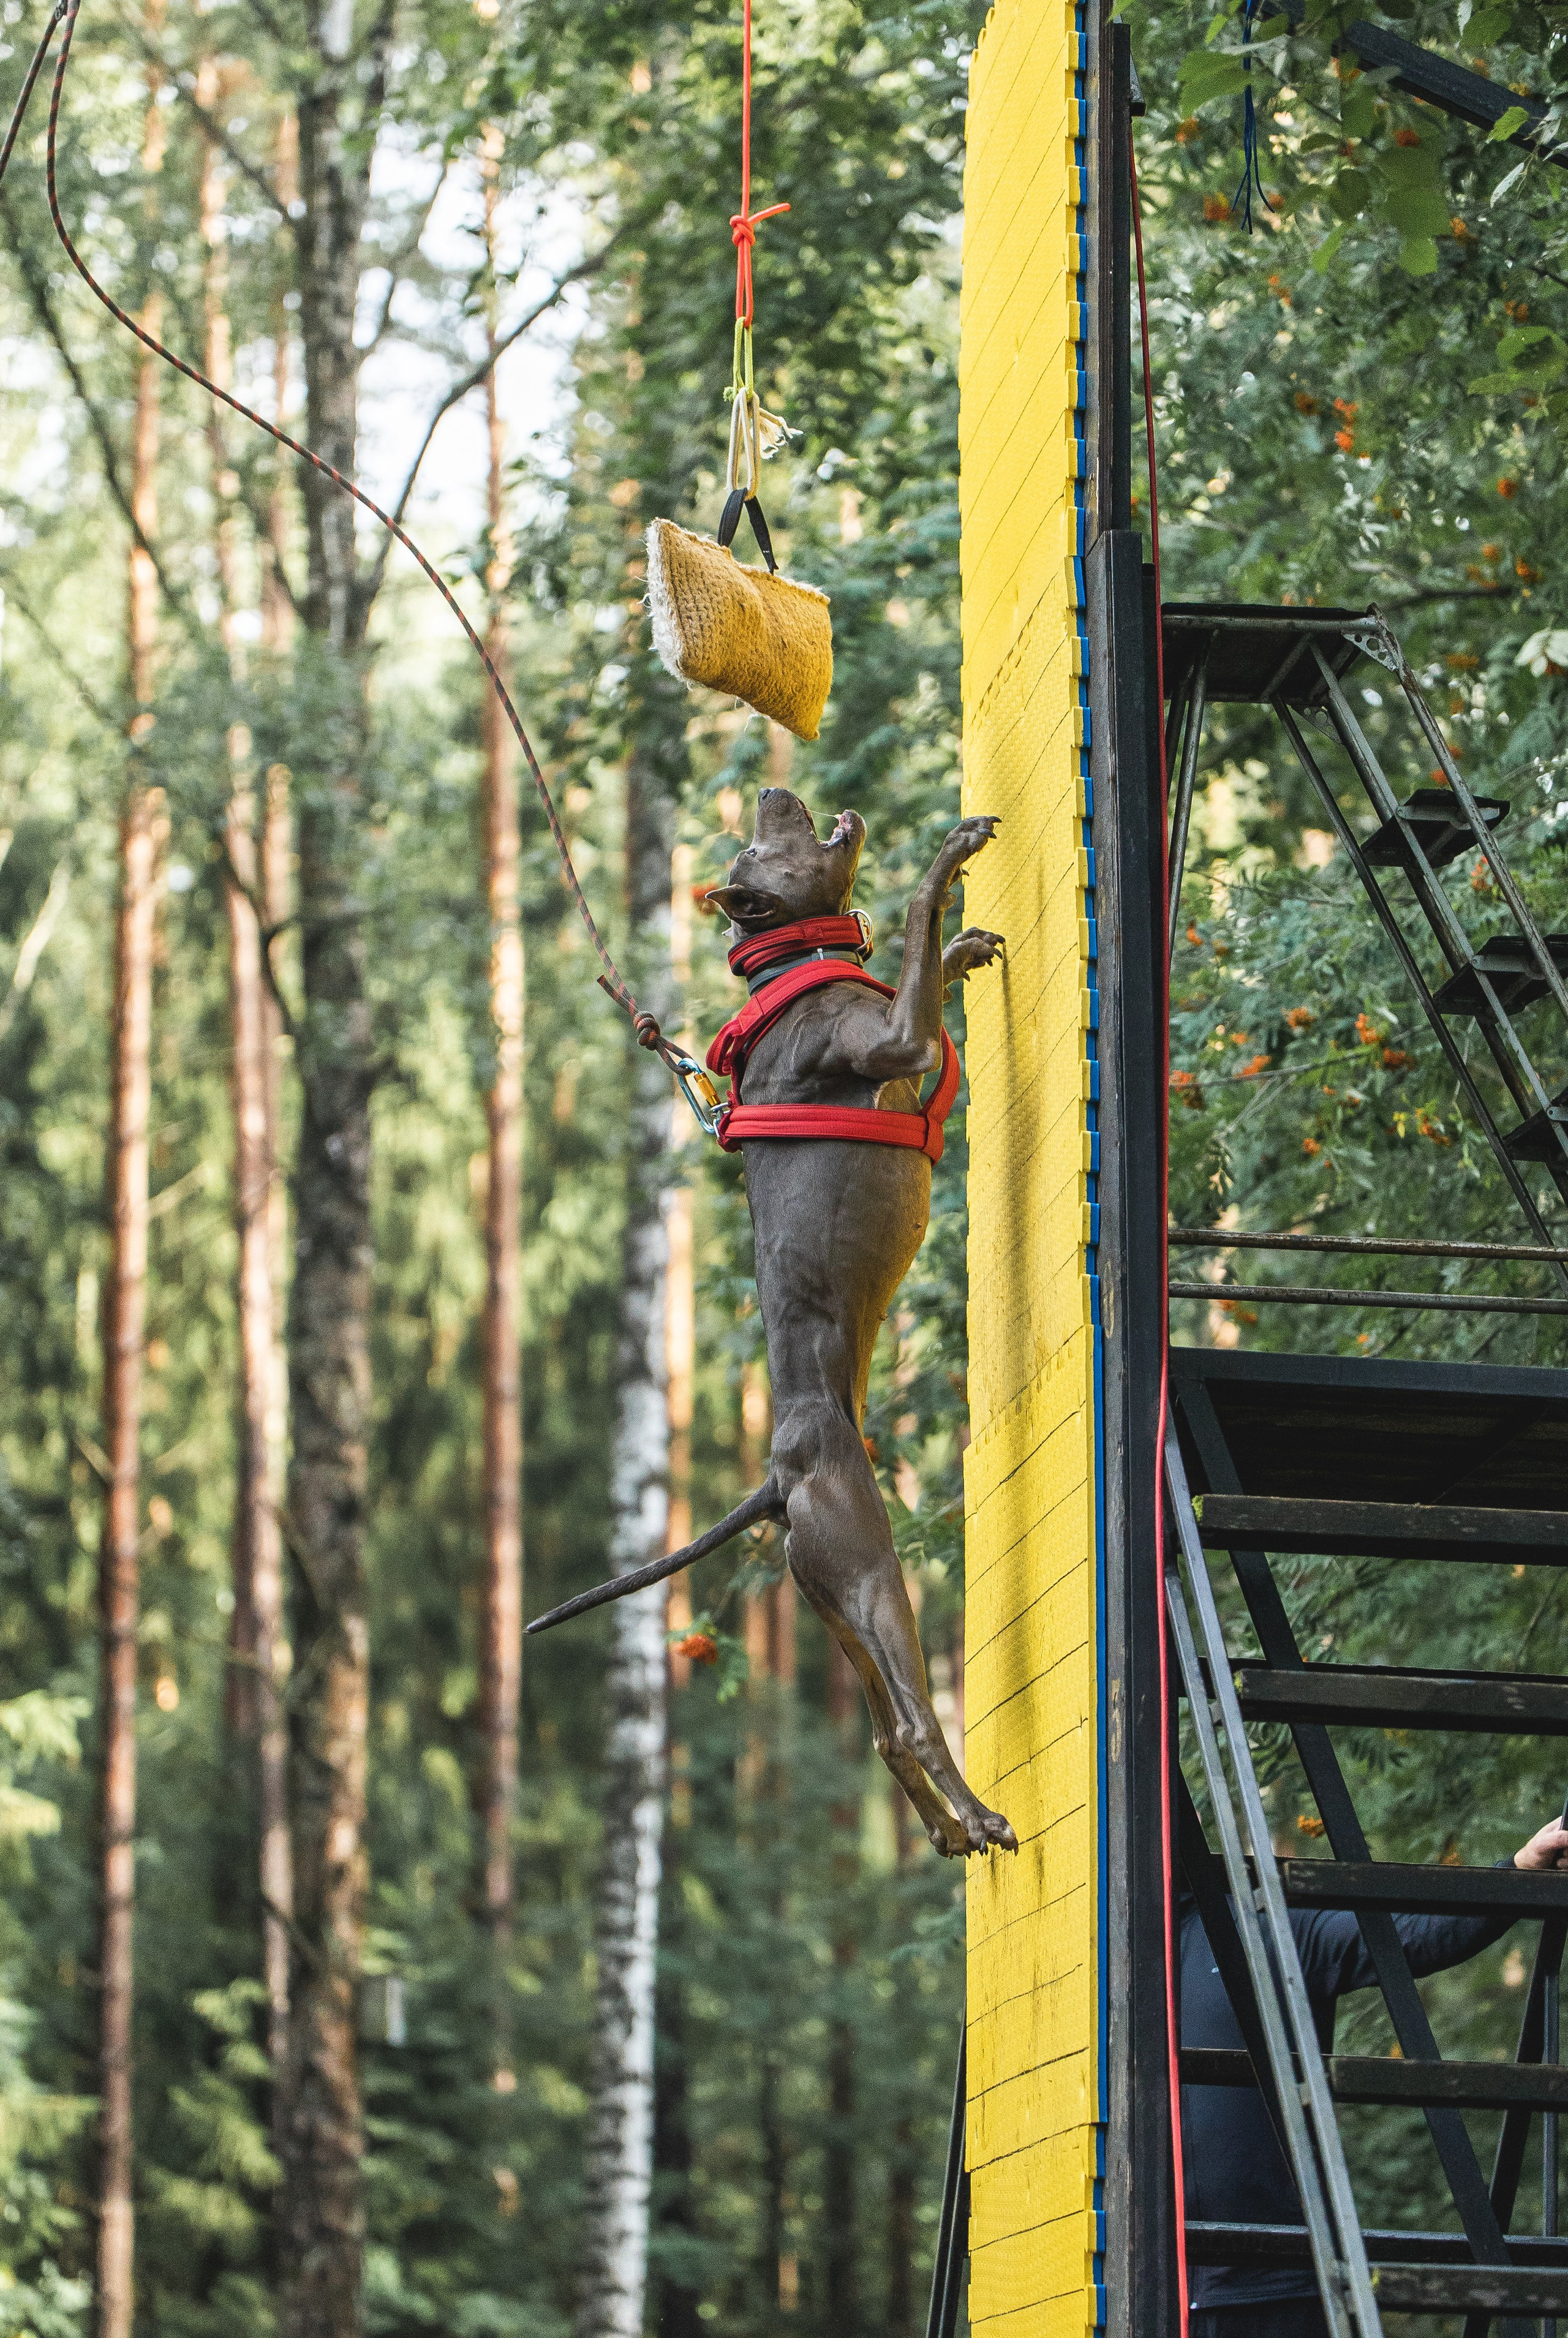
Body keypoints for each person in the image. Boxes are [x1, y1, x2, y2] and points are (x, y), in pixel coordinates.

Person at [1182, 1811, 1568, 2338]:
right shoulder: (1094, 1958)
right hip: (1151, 2281)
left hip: (1283, 2283)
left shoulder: (1264, 1927)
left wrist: (1519, 1869)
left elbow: (1410, 1935)